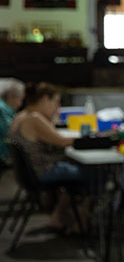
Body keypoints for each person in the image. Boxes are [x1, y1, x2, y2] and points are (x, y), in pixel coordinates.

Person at [7, 82, 91, 233]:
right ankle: (81, 221)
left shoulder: (21, 116)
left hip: (28, 174)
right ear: (45, 99)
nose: (57, 108)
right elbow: (62, 141)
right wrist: (92, 138)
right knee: (96, 174)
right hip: (43, 171)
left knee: (75, 169)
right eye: (56, 102)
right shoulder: (34, 118)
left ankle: (59, 215)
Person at [0, 78, 25, 165]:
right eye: (20, 99)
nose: (20, 104)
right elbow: (10, 133)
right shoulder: (2, 109)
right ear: (11, 96)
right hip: (4, 156)